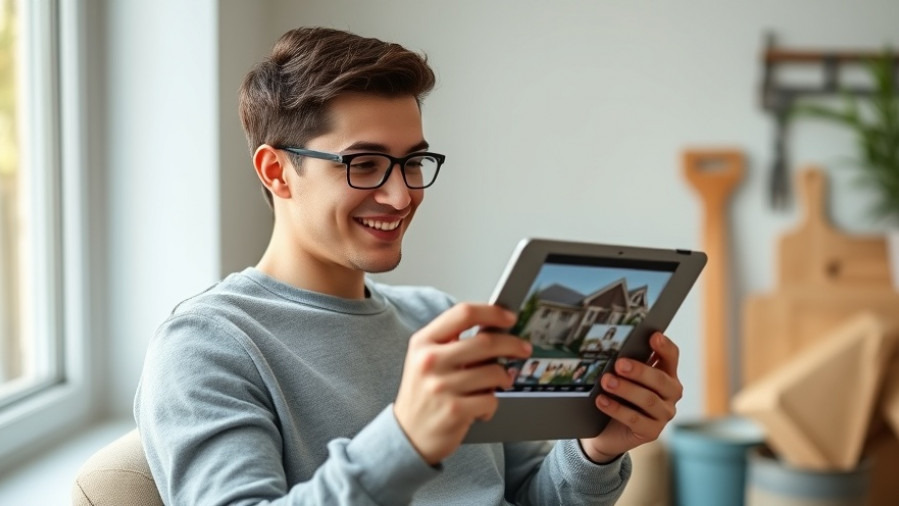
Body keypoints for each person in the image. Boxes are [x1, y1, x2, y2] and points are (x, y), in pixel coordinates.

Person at [134, 26, 684, 505]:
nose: (401, 197)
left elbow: (534, 495)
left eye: (413, 162)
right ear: (277, 171)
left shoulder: (437, 318)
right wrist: (405, 439)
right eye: (366, 164)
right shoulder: (207, 347)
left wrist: (596, 449)